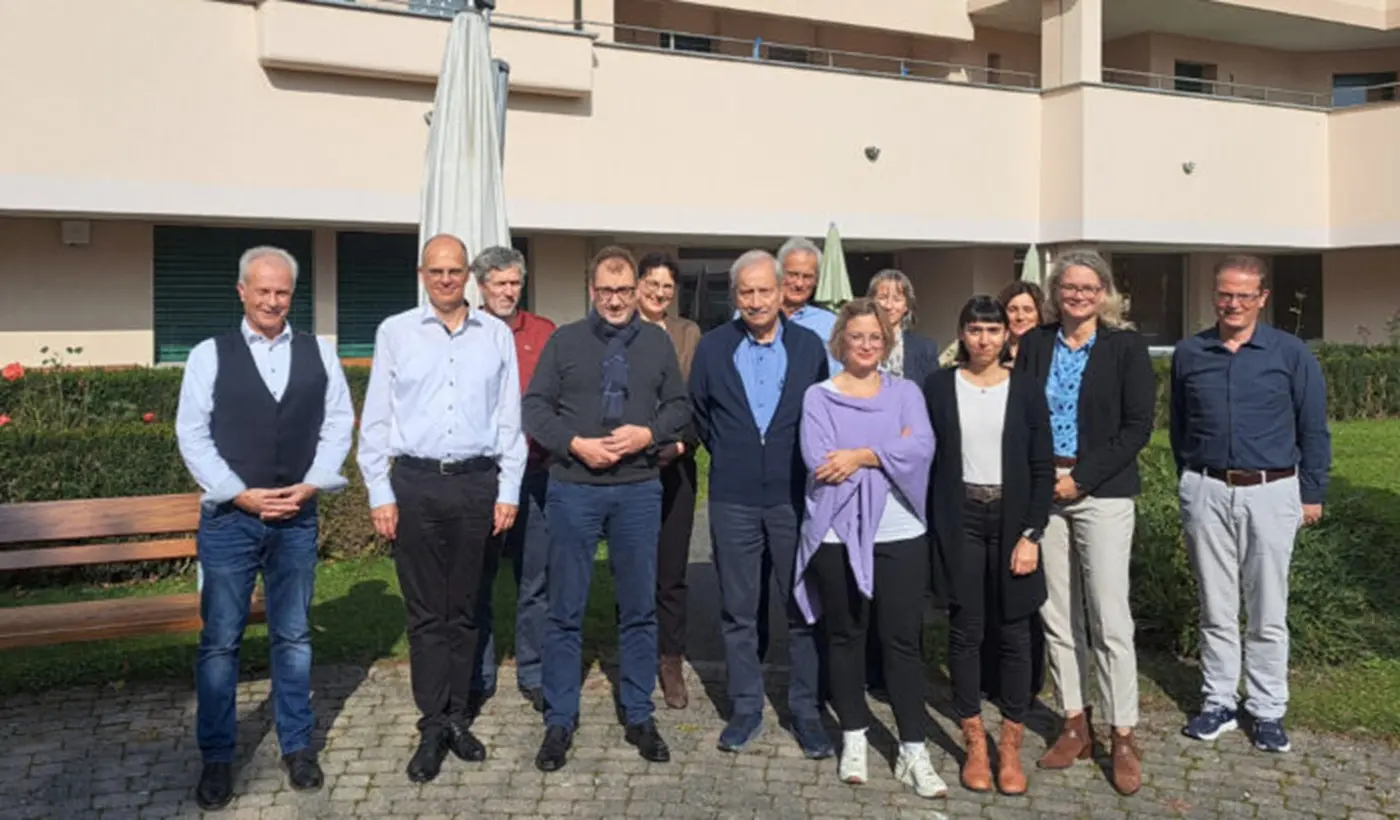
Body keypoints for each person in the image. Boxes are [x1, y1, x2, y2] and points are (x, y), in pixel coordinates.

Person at [175, 246, 354, 810]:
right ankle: (218, 756)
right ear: (242, 291)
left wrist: (314, 483)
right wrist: (239, 492)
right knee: (220, 643)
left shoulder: (319, 353)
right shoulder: (209, 355)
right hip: (230, 520)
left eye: (282, 292)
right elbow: (192, 434)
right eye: (263, 290)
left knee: (294, 637)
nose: (273, 301)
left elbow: (338, 421)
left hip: (297, 517)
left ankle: (297, 746)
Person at [357, 234, 527, 783]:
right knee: (428, 612)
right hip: (417, 485)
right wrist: (381, 493)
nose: (447, 280)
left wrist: (508, 490)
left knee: (468, 607)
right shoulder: (396, 333)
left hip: (478, 484)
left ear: (469, 278)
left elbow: (509, 422)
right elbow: (377, 420)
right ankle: (432, 722)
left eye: (455, 271)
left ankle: (460, 716)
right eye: (438, 272)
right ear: (422, 274)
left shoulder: (495, 335)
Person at [522, 246, 690, 773]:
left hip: (639, 488)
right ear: (591, 291)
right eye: (605, 291)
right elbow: (533, 408)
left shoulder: (657, 345)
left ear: (636, 290)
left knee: (639, 606)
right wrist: (574, 443)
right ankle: (560, 718)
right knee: (565, 607)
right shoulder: (564, 340)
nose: (615, 300)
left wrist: (649, 432)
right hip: (573, 488)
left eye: (623, 290)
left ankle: (639, 714)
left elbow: (681, 408)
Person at [1172, 254, 1331, 754]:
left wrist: (1313, 492)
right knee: (1216, 606)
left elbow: (1313, 427)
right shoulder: (1190, 352)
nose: (1233, 303)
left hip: (1272, 490)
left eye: (1244, 295)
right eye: (1225, 294)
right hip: (1207, 488)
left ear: (1263, 298)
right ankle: (1218, 700)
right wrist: (1191, 482)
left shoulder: (1289, 353)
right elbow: (1180, 426)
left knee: (1266, 608)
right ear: (1214, 295)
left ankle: (1266, 708)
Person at [793, 299, 946, 798]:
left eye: (875, 337)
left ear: (888, 342)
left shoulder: (906, 393)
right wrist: (887, 455)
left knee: (902, 641)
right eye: (857, 336)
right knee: (846, 636)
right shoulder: (819, 396)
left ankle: (913, 749)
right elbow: (820, 459)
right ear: (841, 341)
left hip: (899, 532)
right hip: (836, 532)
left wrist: (861, 454)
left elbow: (921, 446)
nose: (866, 345)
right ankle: (855, 736)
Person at [1016, 249, 1155, 795]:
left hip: (1102, 492)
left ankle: (1123, 732)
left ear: (1104, 293)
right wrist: (1038, 476)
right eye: (1068, 287)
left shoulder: (1126, 347)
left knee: (1110, 615)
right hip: (1042, 490)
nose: (1077, 295)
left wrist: (1081, 479)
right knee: (1057, 613)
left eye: (1088, 287)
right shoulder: (1035, 344)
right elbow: (1021, 416)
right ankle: (1075, 721)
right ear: (1055, 292)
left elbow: (1137, 426)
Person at [689, 249, 833, 758]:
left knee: (802, 607)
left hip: (796, 496)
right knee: (738, 609)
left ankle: (806, 710)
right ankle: (746, 707)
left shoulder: (811, 346)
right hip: (733, 498)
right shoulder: (713, 348)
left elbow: (823, 411)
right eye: (745, 292)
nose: (755, 300)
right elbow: (701, 413)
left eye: (763, 291)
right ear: (736, 296)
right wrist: (737, 452)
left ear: (781, 293)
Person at [925, 296, 1053, 796]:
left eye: (992, 330)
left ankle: (1011, 743)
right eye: (974, 330)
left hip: (1012, 518)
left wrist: (1032, 534)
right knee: (966, 629)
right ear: (961, 334)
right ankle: (975, 740)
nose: (983, 339)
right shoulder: (938, 387)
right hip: (961, 519)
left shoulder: (1024, 389)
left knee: (1016, 631)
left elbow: (1041, 467)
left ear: (1007, 336)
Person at [468, 245, 557, 715]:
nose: (508, 291)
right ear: (480, 286)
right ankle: (479, 674)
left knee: (535, 579)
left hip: (536, 474)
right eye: (499, 283)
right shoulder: (466, 332)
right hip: (482, 479)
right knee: (478, 579)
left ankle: (534, 670)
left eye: (515, 283)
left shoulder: (544, 333)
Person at [862, 268, 940, 697]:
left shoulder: (924, 350)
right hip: (863, 471)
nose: (890, 304)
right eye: (882, 296)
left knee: (904, 580)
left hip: (909, 476)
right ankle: (870, 666)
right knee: (866, 575)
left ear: (908, 305)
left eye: (897, 297)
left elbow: (929, 412)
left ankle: (904, 669)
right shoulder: (855, 346)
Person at [636, 251, 703, 710]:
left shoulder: (687, 333)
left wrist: (682, 444)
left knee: (671, 570)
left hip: (676, 462)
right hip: (628, 468)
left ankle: (670, 657)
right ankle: (635, 652)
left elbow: (700, 397)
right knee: (632, 565)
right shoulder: (620, 328)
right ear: (638, 284)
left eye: (667, 287)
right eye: (653, 284)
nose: (660, 293)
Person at [776, 237, 841, 372]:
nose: (799, 284)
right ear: (779, 274)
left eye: (807, 277)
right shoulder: (756, 316)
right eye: (793, 275)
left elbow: (837, 375)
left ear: (816, 281)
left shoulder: (830, 323)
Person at [997, 280, 1046, 362]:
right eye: (1013, 310)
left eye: (1027, 310)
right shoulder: (993, 353)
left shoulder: (1051, 352)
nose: (1020, 317)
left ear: (1039, 315)